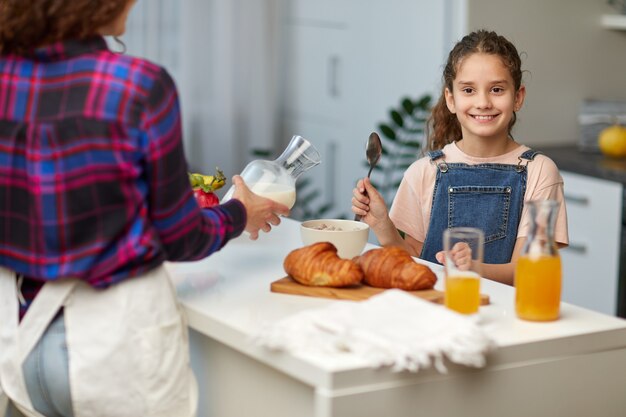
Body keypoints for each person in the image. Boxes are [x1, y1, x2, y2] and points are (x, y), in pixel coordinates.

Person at [0, 1, 289, 416]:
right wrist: (238, 212)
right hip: (114, 353)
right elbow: (181, 237)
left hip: (23, 346)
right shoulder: (136, 86)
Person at [352, 29, 568, 285]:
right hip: (432, 313)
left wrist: (474, 269)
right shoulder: (424, 171)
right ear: (451, 99)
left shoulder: (539, 171)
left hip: (504, 319)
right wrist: (382, 225)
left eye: (497, 89)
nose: (483, 102)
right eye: (468, 90)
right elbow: (411, 262)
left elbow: (529, 271)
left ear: (517, 97)